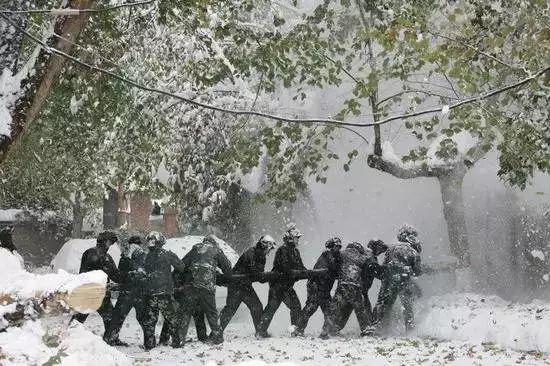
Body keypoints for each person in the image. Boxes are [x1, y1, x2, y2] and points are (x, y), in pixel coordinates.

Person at [176, 235, 233, 345]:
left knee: (186, 313)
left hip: (191, 286)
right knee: (211, 313)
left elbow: (182, 265)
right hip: (207, 287)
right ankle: (217, 338)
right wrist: (216, 274)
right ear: (214, 243)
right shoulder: (216, 250)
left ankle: (180, 339)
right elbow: (228, 269)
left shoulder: (195, 248)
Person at [256, 224, 306, 338]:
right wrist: (295, 272)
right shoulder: (282, 250)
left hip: (286, 286)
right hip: (278, 285)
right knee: (272, 308)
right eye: (296, 237)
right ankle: (260, 331)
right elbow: (285, 267)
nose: (298, 240)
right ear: (290, 238)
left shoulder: (295, 252)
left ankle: (294, 330)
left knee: (295, 307)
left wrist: (306, 273)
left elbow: (300, 267)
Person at [219, 235, 276, 334]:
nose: (269, 252)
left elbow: (259, 276)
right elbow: (256, 273)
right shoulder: (251, 253)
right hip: (236, 284)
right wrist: (268, 276)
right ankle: (216, 333)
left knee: (257, 306)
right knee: (230, 309)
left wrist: (266, 277)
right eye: (269, 249)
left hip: (245, 285)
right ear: (264, 245)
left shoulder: (262, 257)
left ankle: (260, 332)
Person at [141, 231, 186, 350]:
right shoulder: (167, 254)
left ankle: (149, 345)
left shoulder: (146, 257)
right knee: (172, 319)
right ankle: (177, 342)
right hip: (164, 294)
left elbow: (142, 273)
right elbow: (181, 267)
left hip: (150, 294)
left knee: (150, 321)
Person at [373, 224, 422, 332]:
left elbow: (384, 265)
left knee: (384, 305)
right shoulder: (414, 252)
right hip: (405, 281)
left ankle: (380, 329)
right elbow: (417, 271)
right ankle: (410, 330)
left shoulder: (391, 249)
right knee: (408, 307)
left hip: (389, 281)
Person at [333, 239, 387, 333]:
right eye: (380, 249)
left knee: (347, 308)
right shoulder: (369, 257)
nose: (380, 252)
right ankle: (367, 328)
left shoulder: (363, 255)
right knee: (363, 309)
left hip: (351, 285)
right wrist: (386, 272)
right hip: (359, 287)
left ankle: (334, 328)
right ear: (374, 247)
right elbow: (374, 270)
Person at [320, 242, 372, 339]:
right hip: (355, 286)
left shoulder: (342, 254)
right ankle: (366, 330)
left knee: (334, 308)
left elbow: (334, 263)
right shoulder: (361, 257)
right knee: (360, 309)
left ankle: (326, 330)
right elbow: (367, 264)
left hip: (342, 286)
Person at [292, 237, 342, 337]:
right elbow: (332, 269)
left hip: (324, 288)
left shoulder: (334, 256)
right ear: (331, 247)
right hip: (316, 286)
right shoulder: (327, 255)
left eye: (339, 247)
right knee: (311, 307)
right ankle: (298, 330)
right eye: (337, 246)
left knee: (329, 309)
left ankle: (326, 331)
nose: (339, 249)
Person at [103, 235, 148, 346]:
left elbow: (120, 274)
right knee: (144, 319)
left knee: (118, 317)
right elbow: (146, 274)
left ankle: (110, 339)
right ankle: (149, 343)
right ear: (140, 244)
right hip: (140, 293)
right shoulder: (145, 256)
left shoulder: (125, 257)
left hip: (126, 292)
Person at [71, 231, 121, 330]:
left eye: (111, 243)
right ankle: (69, 334)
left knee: (110, 318)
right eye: (109, 242)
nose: (110, 245)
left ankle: (111, 338)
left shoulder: (106, 256)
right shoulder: (92, 253)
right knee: (80, 316)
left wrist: (126, 278)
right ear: (102, 241)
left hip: (100, 293)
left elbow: (115, 274)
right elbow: (86, 273)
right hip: (90, 293)